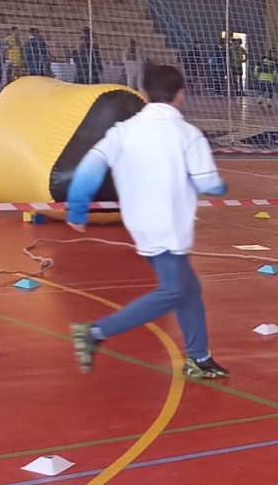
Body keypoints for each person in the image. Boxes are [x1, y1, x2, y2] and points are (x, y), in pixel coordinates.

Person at [65, 63, 229, 382]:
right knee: (172, 291)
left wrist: (77, 209)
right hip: (170, 226)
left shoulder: (123, 132)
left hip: (141, 224)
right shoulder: (188, 134)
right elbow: (208, 183)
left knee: (189, 290)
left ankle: (199, 357)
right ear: (180, 95)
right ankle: (96, 332)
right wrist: (217, 186)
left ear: (143, 94)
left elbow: (89, 168)